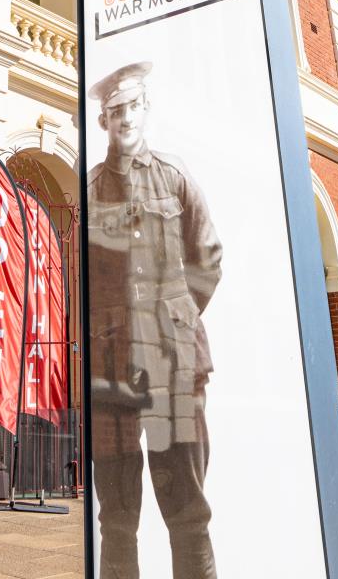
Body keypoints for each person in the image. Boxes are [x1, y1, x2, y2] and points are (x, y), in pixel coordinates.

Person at [86, 62, 223, 579]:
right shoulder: (91, 189)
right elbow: (76, 277)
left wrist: (176, 323)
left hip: (175, 369)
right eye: (114, 110)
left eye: (132, 106)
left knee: (187, 509)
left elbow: (207, 256)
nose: (124, 117)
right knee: (116, 515)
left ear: (146, 109)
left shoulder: (176, 175)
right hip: (110, 371)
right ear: (104, 120)